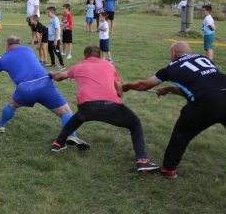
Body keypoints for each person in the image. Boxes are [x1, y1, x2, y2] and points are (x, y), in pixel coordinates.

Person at [122, 41, 226, 179]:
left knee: (181, 133)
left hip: (207, 102)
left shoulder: (170, 69)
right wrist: (169, 89)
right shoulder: (203, 58)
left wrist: (127, 86)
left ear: (173, 53)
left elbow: (144, 85)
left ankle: (169, 169)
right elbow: (200, 86)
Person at [49, 45, 160, 173]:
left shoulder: (77, 67)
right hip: (110, 106)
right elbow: (119, 93)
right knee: (135, 123)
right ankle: (142, 160)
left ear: (84, 56)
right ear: (101, 56)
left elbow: (59, 77)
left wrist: (51, 74)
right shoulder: (109, 65)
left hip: (87, 106)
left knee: (79, 117)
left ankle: (58, 143)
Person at [0, 36, 89, 146]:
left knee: (12, 105)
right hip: (45, 84)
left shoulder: (3, 59)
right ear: (19, 44)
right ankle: (72, 135)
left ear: (7, 45)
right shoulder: (29, 50)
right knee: (66, 112)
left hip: (25, 89)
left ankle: (1, 125)